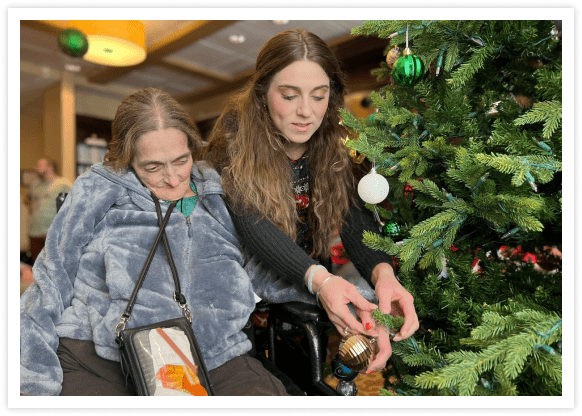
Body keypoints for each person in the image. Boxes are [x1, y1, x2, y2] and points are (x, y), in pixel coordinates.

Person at [20, 88, 289, 396]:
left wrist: (324, 288)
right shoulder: (97, 191)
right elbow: (50, 283)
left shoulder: (216, 192)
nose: (173, 179)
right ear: (128, 159)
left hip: (214, 355)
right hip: (102, 356)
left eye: (181, 160)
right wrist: (34, 381)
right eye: (153, 167)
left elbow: (263, 268)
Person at [204, 28, 420, 373]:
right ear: (262, 93)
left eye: (319, 96)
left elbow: (356, 220)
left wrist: (384, 275)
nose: (306, 112)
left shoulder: (337, 145)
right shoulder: (232, 145)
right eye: (289, 96)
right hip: (239, 308)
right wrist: (321, 281)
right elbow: (252, 223)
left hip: (310, 295)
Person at [26, 158, 72, 261]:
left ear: (49, 167)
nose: (35, 168)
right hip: (34, 232)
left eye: (39, 165)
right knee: (37, 266)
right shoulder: (35, 185)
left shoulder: (63, 184)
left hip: (52, 233)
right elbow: (27, 199)